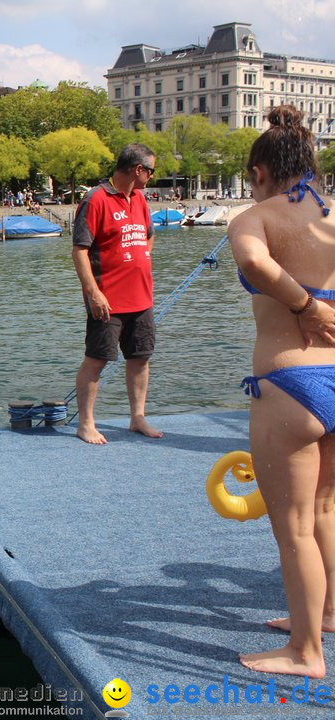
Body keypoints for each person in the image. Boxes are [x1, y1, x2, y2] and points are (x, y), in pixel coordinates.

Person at [229, 105, 335, 679]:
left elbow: (251, 260)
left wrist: (305, 305)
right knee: (324, 509)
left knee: (294, 527)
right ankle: (331, 614)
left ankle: (305, 652)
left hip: (290, 381)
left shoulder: (256, 216)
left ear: (260, 171)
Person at [71, 143, 162, 444]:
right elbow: (80, 251)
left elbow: (149, 235)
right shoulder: (96, 199)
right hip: (107, 299)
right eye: (151, 170)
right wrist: (93, 292)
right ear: (138, 169)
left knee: (140, 358)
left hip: (141, 297)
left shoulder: (139, 199)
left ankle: (137, 418)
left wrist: (141, 259)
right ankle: (86, 423)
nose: (151, 176)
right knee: (97, 359)